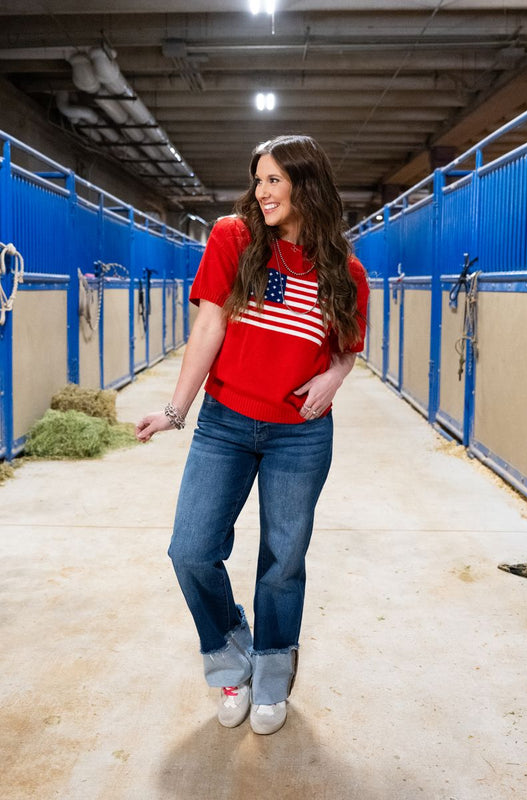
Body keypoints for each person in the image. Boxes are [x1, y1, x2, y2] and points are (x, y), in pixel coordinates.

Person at [135, 134, 369, 735]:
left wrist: (334, 377)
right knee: (190, 549)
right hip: (226, 423)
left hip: (301, 433)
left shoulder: (345, 271)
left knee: (282, 561)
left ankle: (271, 674)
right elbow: (209, 325)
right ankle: (229, 655)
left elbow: (347, 349)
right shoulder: (234, 238)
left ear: (305, 186)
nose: (262, 191)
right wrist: (176, 410)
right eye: (258, 180)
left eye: (274, 180)